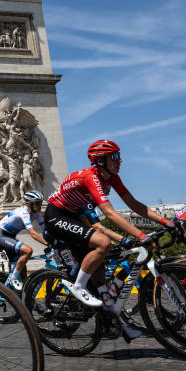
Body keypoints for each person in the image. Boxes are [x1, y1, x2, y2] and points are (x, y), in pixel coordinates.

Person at [44, 139, 169, 332]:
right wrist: (141, 235)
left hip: (75, 218)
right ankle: (78, 287)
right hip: (56, 216)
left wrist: (166, 222)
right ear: (101, 161)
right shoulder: (91, 177)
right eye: (115, 157)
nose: (120, 161)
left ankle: (113, 323)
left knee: (100, 272)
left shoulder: (111, 177)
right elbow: (110, 213)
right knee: (103, 243)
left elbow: (134, 205)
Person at [0, 190, 48, 291]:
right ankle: (13, 278)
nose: (40, 206)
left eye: (41, 203)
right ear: (30, 204)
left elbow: (45, 230)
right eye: (38, 203)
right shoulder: (24, 212)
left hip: (10, 236)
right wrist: (48, 244)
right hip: (0, 235)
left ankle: (27, 295)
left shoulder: (36, 213)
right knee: (28, 251)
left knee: (23, 270)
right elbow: (33, 233)